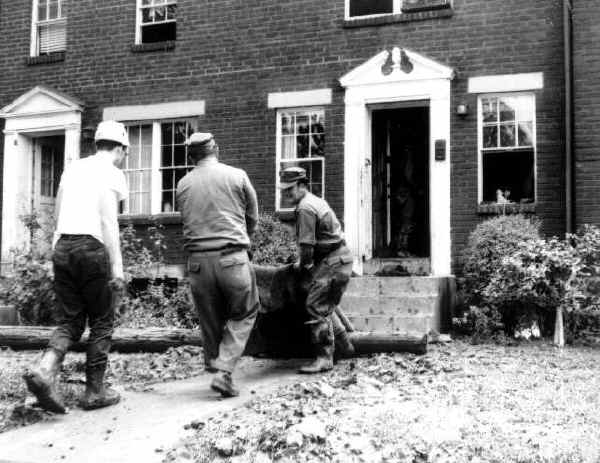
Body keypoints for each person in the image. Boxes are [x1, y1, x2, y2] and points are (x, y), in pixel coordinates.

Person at [23, 120, 129, 413]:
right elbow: (110, 223)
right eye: (125, 152)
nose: (124, 157)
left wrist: (53, 256)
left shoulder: (72, 168)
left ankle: (45, 369)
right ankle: (95, 391)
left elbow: (57, 215)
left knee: (70, 321)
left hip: (63, 247)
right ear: (119, 148)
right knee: (102, 320)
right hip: (92, 248)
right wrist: (117, 269)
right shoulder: (113, 173)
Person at [176, 132, 260, 397]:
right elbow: (253, 217)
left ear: (192, 156)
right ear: (217, 150)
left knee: (209, 318)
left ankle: (215, 365)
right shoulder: (237, 176)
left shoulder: (183, 184)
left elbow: (186, 220)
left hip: (198, 263)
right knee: (245, 311)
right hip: (232, 257)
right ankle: (224, 372)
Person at [278, 167, 354, 374]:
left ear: (302, 185)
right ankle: (346, 346)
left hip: (333, 260)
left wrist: (302, 266)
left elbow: (307, 248)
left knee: (315, 305)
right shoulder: (314, 201)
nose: (286, 194)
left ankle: (324, 358)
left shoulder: (306, 208)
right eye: (284, 190)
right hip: (339, 257)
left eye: (290, 190)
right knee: (325, 305)